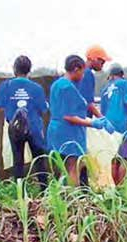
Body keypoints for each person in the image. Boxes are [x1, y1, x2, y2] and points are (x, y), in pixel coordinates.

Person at [48, 55, 112, 186]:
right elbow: (68, 116)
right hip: (68, 133)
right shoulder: (67, 88)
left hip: (57, 131)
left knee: (64, 168)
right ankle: (74, 199)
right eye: (82, 72)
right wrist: (92, 123)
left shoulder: (57, 84)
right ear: (76, 69)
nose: (83, 76)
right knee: (73, 167)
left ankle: (63, 197)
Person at [0, 55, 49, 188]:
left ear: (14, 69)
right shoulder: (36, 88)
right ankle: (44, 192)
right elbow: (43, 108)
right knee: (40, 160)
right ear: (29, 70)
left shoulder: (6, 86)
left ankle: (21, 193)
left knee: (17, 160)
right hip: (34, 128)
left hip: (15, 128)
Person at [100, 63, 127, 184]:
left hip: (109, 128)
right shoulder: (125, 84)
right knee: (125, 158)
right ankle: (122, 189)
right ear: (122, 75)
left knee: (114, 158)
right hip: (125, 125)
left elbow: (102, 112)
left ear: (111, 76)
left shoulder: (104, 90)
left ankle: (116, 187)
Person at [78, 45, 111, 118]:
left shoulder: (80, 72)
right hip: (82, 118)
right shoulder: (87, 74)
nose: (102, 66)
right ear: (95, 59)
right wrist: (102, 119)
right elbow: (88, 102)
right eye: (102, 62)